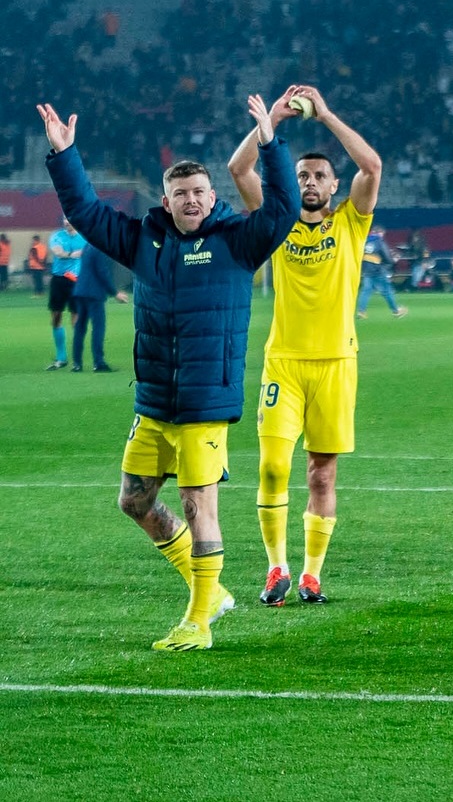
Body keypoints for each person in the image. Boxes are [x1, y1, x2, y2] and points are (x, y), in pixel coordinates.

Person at [39, 97, 298, 651]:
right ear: (166, 201)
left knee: (198, 504)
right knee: (133, 501)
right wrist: (64, 155)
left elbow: (283, 208)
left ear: (213, 196)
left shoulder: (239, 241)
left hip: (205, 401)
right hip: (155, 401)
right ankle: (213, 593)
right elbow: (86, 213)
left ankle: (199, 621)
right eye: (181, 193)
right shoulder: (142, 241)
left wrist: (270, 141)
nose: (192, 200)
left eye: (200, 191)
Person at [228, 85, 382, 608]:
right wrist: (270, 122)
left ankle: (312, 575)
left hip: (337, 363)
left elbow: (372, 166)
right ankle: (277, 567)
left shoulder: (351, 222)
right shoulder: (278, 221)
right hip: (284, 364)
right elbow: (238, 169)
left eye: (319, 176)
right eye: (302, 176)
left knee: (321, 472)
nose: (310, 182)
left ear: (334, 185)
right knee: (273, 466)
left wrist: (327, 115)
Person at [71, 242, 127, 372]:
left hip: (81, 291)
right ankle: (98, 363)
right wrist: (115, 293)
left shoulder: (87, 245)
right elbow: (102, 272)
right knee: (98, 327)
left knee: (80, 328)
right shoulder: (100, 247)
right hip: (94, 293)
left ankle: (77, 364)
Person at [45, 217, 86, 369]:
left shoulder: (84, 237)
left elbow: (89, 253)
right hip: (58, 280)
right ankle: (61, 357)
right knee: (56, 317)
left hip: (76, 280)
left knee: (76, 319)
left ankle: (77, 360)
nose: (67, 222)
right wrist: (72, 254)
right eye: (64, 219)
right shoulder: (57, 236)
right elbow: (58, 253)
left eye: (69, 219)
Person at [357, 225, 407, 318]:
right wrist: (393, 260)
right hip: (378, 270)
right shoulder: (379, 242)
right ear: (380, 233)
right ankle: (396, 311)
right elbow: (387, 256)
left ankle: (361, 311)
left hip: (366, 270)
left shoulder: (364, 240)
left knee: (366, 291)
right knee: (387, 291)